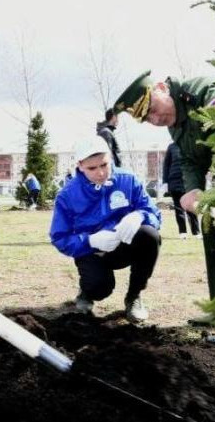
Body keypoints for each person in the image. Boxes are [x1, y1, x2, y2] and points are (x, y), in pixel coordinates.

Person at [113, 71, 215, 314]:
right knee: (210, 223)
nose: (155, 120)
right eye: (147, 119)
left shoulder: (202, 93)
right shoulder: (175, 123)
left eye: (152, 109)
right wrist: (193, 190)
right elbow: (189, 158)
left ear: (162, 88)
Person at [49, 136, 161, 323]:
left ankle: (134, 296)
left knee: (149, 235)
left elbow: (154, 213)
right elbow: (60, 237)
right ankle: (87, 291)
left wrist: (141, 215)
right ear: (80, 165)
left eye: (104, 165)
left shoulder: (128, 180)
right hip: (91, 251)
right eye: (92, 168)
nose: (101, 173)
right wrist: (90, 241)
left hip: (124, 246)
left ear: (110, 158)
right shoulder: (67, 195)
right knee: (100, 288)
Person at [162, 142, 199, 239]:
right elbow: (166, 165)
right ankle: (182, 233)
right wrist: (165, 182)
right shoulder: (171, 147)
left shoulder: (191, 145)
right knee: (179, 209)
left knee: (191, 207)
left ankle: (196, 232)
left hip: (189, 182)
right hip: (174, 181)